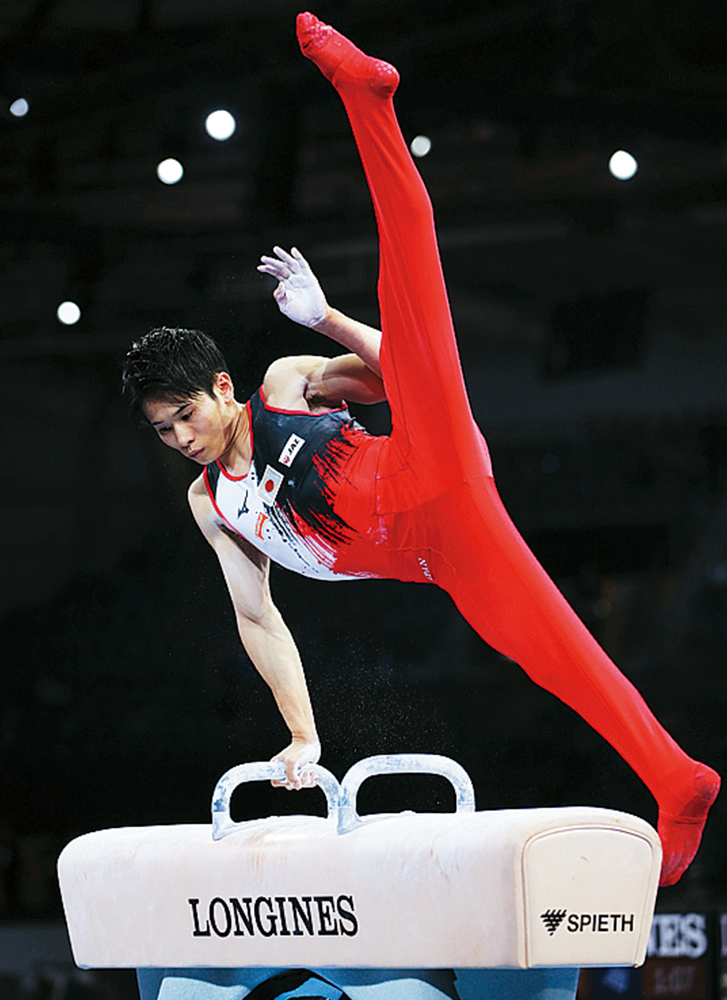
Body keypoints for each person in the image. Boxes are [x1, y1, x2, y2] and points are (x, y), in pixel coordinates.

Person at [121, 13, 719, 887]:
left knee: (414, 289)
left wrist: (323, 319)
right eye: (163, 431)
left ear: (221, 387)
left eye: (184, 414)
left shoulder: (288, 383)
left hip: (424, 465)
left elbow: (410, 375)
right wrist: (302, 734)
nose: (180, 439)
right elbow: (258, 616)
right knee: (563, 660)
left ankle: (369, 100)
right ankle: (679, 780)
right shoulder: (213, 508)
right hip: (443, 555)